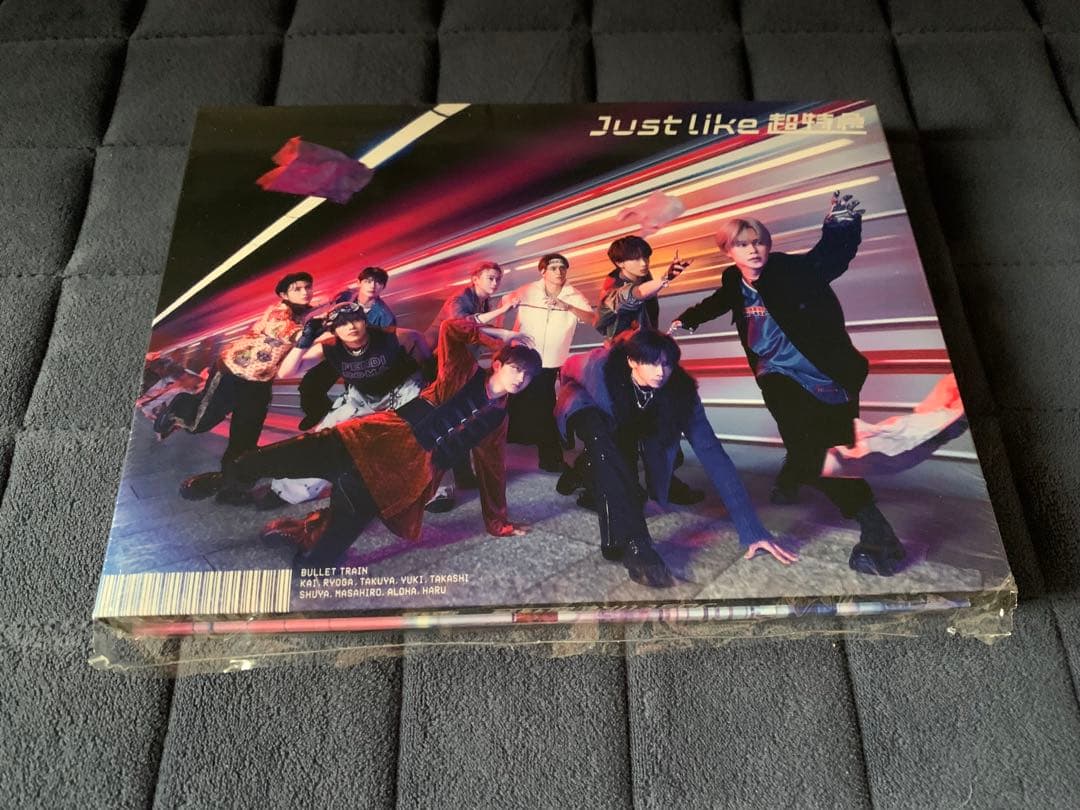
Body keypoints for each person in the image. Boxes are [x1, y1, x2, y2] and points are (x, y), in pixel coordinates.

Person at [671, 191, 907, 577]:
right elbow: (721, 300)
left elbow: (828, 258)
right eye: (742, 245)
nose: (753, 250)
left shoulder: (790, 270)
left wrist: (841, 225)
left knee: (836, 449)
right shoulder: (733, 278)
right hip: (777, 375)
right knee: (811, 448)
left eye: (759, 242)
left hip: (827, 375)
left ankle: (794, 474)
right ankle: (875, 528)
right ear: (728, 251)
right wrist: (689, 319)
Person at [222, 319, 541, 568]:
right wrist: (501, 337)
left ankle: (307, 533)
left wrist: (499, 523)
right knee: (281, 459)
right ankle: (224, 479)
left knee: (330, 546)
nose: (519, 379)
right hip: (376, 437)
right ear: (498, 364)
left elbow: (492, 470)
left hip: (404, 475)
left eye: (527, 377)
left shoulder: (498, 418)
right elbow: (451, 328)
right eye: (516, 369)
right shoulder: (463, 372)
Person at [555, 327, 794, 588]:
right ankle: (638, 547)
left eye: (667, 364)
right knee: (604, 444)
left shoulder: (681, 394)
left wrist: (752, 529)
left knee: (621, 480)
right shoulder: (601, 366)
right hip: (584, 402)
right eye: (651, 362)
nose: (660, 372)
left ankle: (582, 477)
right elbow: (568, 367)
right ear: (632, 361)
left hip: (626, 419)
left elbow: (714, 455)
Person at [153, 271, 317, 503]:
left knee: (245, 439)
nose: (305, 292)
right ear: (284, 294)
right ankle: (179, 405)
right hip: (233, 372)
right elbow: (286, 333)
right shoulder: (279, 312)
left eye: (308, 287)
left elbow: (316, 313)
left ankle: (234, 487)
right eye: (297, 289)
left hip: (259, 384)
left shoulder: (303, 312)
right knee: (199, 423)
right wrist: (310, 332)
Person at [258, 300, 426, 508]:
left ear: (365, 321)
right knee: (326, 439)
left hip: (401, 391)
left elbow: (417, 338)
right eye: (342, 323)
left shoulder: (389, 335)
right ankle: (287, 491)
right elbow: (286, 372)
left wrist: (427, 369)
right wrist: (305, 340)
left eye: (356, 320)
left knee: (415, 434)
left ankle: (430, 489)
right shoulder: (329, 346)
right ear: (334, 329)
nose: (351, 327)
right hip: (362, 397)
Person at [422, 261, 521, 511]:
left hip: (458, 366)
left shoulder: (482, 302)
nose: (495, 283)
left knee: (462, 419)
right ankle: (432, 489)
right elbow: (462, 325)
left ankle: (463, 476)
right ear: (475, 279)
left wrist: (504, 336)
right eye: (490, 278)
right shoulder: (460, 299)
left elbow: (483, 330)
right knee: (445, 423)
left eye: (497, 278)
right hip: (437, 363)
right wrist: (503, 317)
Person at [506, 253, 593, 472]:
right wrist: (504, 338)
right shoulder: (528, 290)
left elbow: (592, 318)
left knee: (544, 406)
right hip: (523, 355)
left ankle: (550, 457)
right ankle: (522, 446)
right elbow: (504, 304)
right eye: (553, 268)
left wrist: (566, 306)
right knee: (517, 402)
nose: (559, 272)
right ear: (543, 271)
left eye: (563, 268)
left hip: (551, 361)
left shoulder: (573, 295)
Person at [299, 265, 400, 429]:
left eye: (378, 283)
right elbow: (328, 312)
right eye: (368, 281)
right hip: (336, 351)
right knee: (309, 384)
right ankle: (318, 412)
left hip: (361, 359)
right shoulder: (345, 297)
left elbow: (387, 346)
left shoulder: (385, 316)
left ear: (383, 287)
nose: (373, 286)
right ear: (359, 282)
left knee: (356, 394)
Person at [595, 235, 691, 341]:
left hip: (646, 341)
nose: (644, 263)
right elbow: (638, 293)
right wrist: (665, 279)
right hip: (624, 347)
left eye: (646, 257)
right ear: (619, 263)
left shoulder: (642, 275)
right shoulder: (612, 292)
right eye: (636, 259)